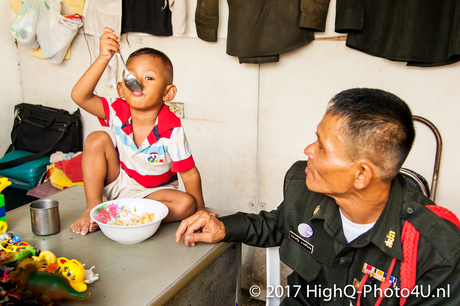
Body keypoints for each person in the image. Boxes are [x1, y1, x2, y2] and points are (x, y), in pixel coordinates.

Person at [175, 88, 460, 305]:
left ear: (361, 174)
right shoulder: (306, 188)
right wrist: (224, 226)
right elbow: (280, 224)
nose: (308, 149)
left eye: (322, 147)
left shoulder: (435, 249)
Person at [70, 27, 205, 235]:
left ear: (168, 92)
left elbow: (189, 173)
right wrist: (103, 58)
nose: (139, 83)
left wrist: (201, 211)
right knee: (97, 138)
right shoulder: (116, 110)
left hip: (155, 196)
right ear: (121, 89)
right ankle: (94, 208)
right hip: (119, 183)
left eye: (149, 78)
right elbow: (80, 96)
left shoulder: (171, 127)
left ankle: (126, 216)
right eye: (132, 77)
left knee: (187, 204)